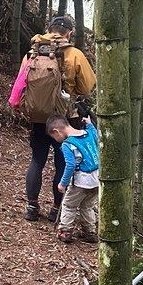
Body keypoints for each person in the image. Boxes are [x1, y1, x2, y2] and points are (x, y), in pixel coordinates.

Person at [21, 16, 96, 221]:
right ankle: (56, 209)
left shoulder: (32, 53)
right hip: (65, 119)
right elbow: (87, 87)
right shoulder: (74, 54)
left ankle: (32, 207)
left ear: (48, 29)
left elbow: (22, 83)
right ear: (69, 33)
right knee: (63, 163)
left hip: (39, 117)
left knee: (37, 160)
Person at [46, 108, 99, 244]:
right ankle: (89, 232)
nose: (56, 140)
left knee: (69, 205)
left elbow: (70, 165)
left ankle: (65, 231)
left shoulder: (68, 144)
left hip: (81, 181)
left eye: (54, 137)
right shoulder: (88, 134)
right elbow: (95, 133)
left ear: (56, 131)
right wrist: (89, 124)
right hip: (97, 179)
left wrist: (63, 183)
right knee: (87, 206)